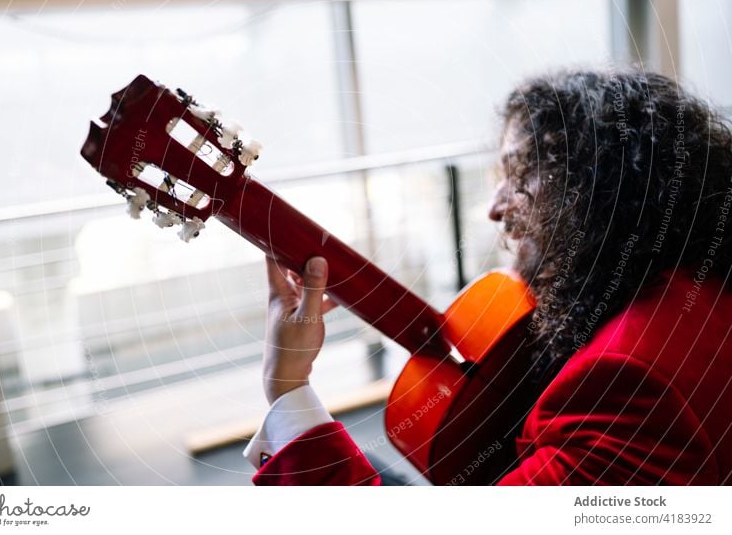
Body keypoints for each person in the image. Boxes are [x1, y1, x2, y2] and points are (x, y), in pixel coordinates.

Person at [241, 68, 732, 485]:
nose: (495, 209)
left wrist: (287, 388)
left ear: (598, 191)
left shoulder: (626, 384)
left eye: (518, 179)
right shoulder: (695, 278)